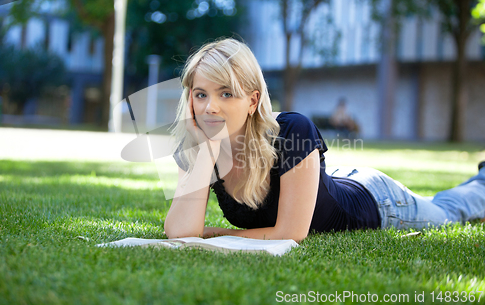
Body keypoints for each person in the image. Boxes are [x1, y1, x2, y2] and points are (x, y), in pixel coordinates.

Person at [164, 38, 485, 242]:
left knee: (447, 210)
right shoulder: (196, 146)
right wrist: (204, 157)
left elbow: (290, 234)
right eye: (200, 94)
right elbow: (181, 233)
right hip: (326, 182)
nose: (210, 107)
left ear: (252, 101)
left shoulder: (291, 131)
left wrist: (217, 233)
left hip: (378, 200)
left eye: (226, 93)